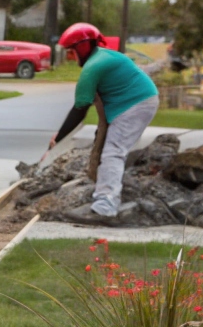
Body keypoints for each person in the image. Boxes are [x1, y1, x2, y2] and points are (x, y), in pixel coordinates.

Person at [49, 22, 159, 225]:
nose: (71, 58)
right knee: (111, 150)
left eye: (72, 52)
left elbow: (80, 109)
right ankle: (105, 195)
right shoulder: (102, 56)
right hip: (137, 102)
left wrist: (59, 137)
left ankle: (105, 208)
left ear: (82, 47)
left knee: (113, 151)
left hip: (135, 104)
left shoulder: (93, 67)